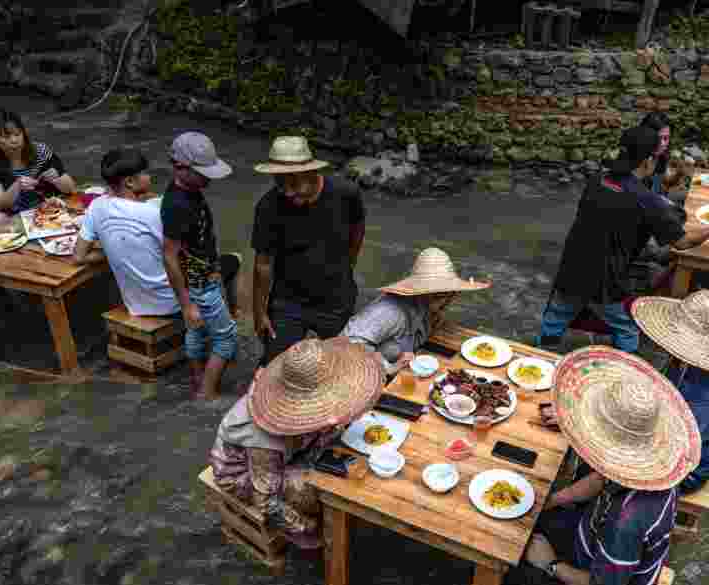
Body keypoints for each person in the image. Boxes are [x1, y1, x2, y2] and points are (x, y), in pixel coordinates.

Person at [504, 346, 700, 585]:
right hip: (592, 538)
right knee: (528, 521)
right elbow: (599, 480)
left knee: (514, 561)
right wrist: (555, 499)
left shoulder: (627, 521)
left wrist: (551, 564)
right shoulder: (639, 470)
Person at [539, 125, 709, 354]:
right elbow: (683, 242)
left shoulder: (597, 180)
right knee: (626, 328)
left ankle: (542, 353)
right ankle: (624, 366)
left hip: (572, 266)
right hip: (605, 278)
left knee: (556, 315)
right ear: (648, 161)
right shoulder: (646, 200)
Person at [209, 337, 384, 549]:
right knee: (316, 489)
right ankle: (312, 532)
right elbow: (266, 503)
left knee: (343, 451)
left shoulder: (301, 406)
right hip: (243, 473)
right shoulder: (264, 442)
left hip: (287, 452)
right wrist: (306, 526)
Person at [251, 136, 366, 367]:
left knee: (339, 365)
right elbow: (263, 264)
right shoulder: (268, 206)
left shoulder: (346, 193)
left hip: (336, 297)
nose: (287, 193)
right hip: (288, 300)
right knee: (274, 366)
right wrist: (260, 312)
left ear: (312, 173)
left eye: (294, 185)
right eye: (280, 184)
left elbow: (358, 230)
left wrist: (347, 265)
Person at [631, 289, 709, 494]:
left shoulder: (704, 400)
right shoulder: (682, 362)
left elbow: (677, 451)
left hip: (690, 467)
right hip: (673, 426)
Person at [161, 132, 240, 400]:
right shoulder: (177, 205)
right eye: (201, 172)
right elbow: (169, 255)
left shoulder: (187, 191)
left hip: (202, 276)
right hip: (199, 283)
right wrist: (186, 304)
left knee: (196, 332)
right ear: (180, 168)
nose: (207, 178)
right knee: (227, 337)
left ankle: (197, 379)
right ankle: (206, 393)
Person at [340, 247, 490, 375]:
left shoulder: (426, 307)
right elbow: (347, 344)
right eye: (445, 294)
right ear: (427, 293)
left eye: (451, 293)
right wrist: (389, 368)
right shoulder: (389, 311)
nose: (450, 298)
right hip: (362, 377)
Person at [73, 148, 179, 318]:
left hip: (136, 305)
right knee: (231, 262)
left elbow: (78, 257)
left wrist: (112, 250)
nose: (149, 177)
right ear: (129, 182)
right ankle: (234, 319)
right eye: (145, 173)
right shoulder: (153, 213)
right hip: (173, 304)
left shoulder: (96, 206)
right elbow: (179, 255)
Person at [0, 109, 77, 233]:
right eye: (6, 136)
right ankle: (29, 230)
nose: (14, 140)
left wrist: (57, 179)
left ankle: (27, 231)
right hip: (14, 213)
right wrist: (17, 186)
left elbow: (71, 188)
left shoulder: (41, 152)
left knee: (69, 205)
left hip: (46, 206)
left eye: (17, 134)